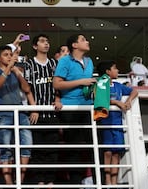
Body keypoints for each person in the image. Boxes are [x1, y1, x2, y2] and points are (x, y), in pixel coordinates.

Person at [0, 42, 38, 185]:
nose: (9, 57)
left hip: (20, 112)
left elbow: (27, 89)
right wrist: (9, 68)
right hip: (2, 113)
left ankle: (19, 182)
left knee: (27, 144)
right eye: (6, 55)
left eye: (11, 55)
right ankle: (9, 184)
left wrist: (17, 72)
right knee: (5, 148)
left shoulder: (15, 71)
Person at [53, 34, 96, 185]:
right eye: (83, 40)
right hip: (70, 108)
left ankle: (98, 179)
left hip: (88, 107)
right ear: (74, 45)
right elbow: (57, 84)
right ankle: (75, 182)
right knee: (74, 146)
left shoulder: (89, 61)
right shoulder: (65, 61)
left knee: (94, 144)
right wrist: (81, 82)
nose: (87, 41)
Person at [24, 34, 62, 186]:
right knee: (38, 148)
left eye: (47, 41)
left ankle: (50, 180)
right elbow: (27, 89)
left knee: (52, 148)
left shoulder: (54, 63)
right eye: (42, 41)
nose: (46, 44)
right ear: (35, 46)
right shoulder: (29, 64)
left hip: (52, 113)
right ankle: (39, 180)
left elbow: (59, 83)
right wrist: (34, 108)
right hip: (36, 114)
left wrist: (58, 99)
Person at [96, 60, 138, 185]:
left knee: (116, 154)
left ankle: (114, 182)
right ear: (108, 71)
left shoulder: (118, 85)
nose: (118, 70)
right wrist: (116, 102)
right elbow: (100, 99)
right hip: (105, 124)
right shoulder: (100, 84)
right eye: (115, 68)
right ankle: (107, 181)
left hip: (118, 125)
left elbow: (134, 91)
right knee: (107, 152)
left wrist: (129, 100)